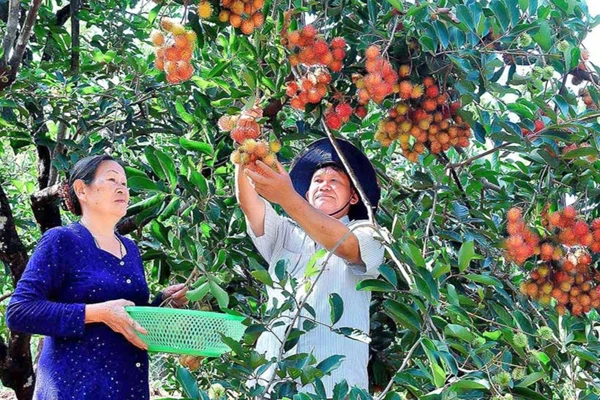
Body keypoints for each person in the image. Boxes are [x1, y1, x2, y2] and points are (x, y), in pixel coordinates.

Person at [6, 155, 188, 400]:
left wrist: (163, 301)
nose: (122, 189)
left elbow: (127, 317)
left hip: (128, 387)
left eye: (124, 184)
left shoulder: (131, 250)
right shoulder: (61, 240)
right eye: (112, 180)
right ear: (82, 189)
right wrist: (98, 313)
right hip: (73, 389)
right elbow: (19, 312)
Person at [236, 138, 384, 396]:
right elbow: (248, 203)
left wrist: (286, 197)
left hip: (333, 386)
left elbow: (346, 246)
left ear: (352, 197)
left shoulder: (368, 233)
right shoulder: (284, 232)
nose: (324, 186)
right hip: (269, 382)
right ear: (307, 194)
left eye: (335, 181)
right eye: (318, 181)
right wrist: (244, 148)